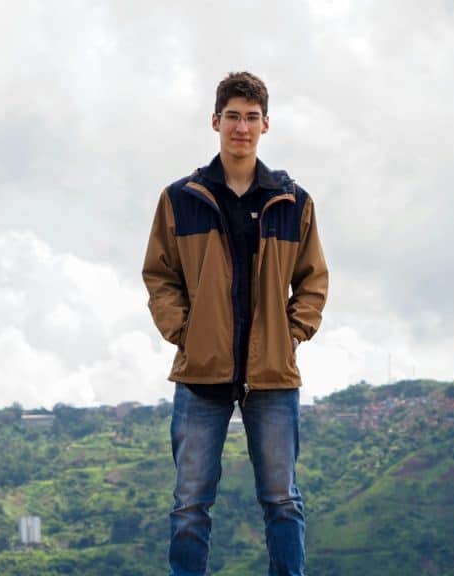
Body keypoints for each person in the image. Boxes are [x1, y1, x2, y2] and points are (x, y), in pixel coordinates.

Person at [142, 71, 328, 576]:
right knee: (188, 506)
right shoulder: (181, 198)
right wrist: (186, 333)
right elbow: (160, 275)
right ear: (215, 121)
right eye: (232, 117)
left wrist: (289, 336)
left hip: (271, 374)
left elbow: (313, 281)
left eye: (250, 118)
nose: (240, 127)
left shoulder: (294, 202)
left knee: (283, 502)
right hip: (201, 373)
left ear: (266, 125)